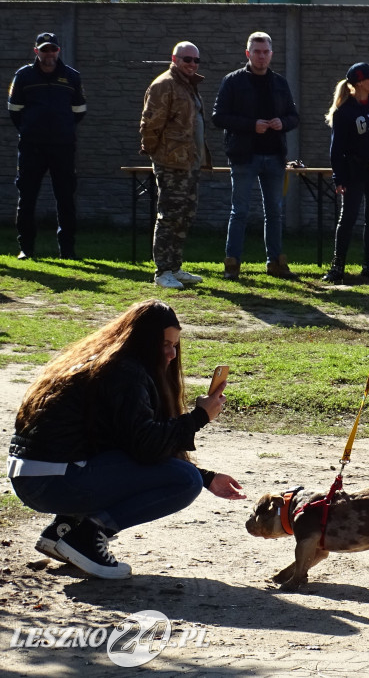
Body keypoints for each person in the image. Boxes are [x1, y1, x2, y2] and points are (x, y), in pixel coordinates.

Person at [7, 300, 245, 580]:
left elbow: (130, 443)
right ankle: (88, 536)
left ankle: (63, 530)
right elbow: (146, 448)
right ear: (142, 340)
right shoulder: (125, 372)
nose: (171, 353)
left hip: (34, 478)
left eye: (175, 345)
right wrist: (199, 418)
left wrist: (207, 476)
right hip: (53, 482)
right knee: (184, 481)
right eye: (164, 344)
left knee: (186, 474)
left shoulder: (107, 363)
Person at [213, 31, 300, 280]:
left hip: (274, 156)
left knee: (274, 211)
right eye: (256, 52)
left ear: (271, 54)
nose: (261, 56)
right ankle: (232, 264)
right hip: (244, 156)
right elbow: (218, 117)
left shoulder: (280, 82)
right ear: (247, 53)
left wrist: (282, 123)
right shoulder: (232, 81)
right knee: (239, 210)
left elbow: (295, 117)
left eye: (265, 52)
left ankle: (275, 262)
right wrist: (252, 125)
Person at [139, 41, 213, 289]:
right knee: (169, 215)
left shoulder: (188, 85)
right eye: (187, 59)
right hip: (171, 162)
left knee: (185, 215)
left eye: (195, 60)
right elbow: (150, 124)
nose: (192, 64)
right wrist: (156, 153)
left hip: (189, 161)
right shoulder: (164, 85)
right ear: (174, 59)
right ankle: (162, 271)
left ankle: (175, 267)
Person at [7, 32, 87, 260]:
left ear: (58, 51)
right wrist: (31, 131)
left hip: (62, 147)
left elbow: (79, 111)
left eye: (52, 49)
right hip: (32, 147)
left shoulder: (72, 77)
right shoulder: (23, 76)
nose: (49, 54)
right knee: (27, 197)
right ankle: (26, 248)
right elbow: (14, 111)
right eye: (44, 50)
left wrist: (62, 131)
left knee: (65, 198)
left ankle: (68, 250)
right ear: (36, 51)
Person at [322, 62, 369, 285]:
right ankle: (337, 267)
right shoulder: (345, 111)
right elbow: (336, 149)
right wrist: (339, 177)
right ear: (360, 83)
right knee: (348, 219)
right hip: (355, 173)